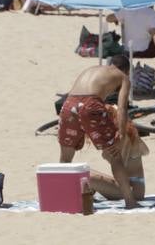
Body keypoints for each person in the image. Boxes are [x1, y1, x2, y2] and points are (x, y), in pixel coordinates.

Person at [56, 54, 137, 209]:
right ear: (126, 70)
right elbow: (122, 107)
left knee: (65, 159)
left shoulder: (92, 69)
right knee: (115, 156)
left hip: (68, 104)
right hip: (90, 104)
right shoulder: (123, 77)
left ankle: (63, 201)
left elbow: (77, 99)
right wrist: (121, 133)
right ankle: (130, 201)